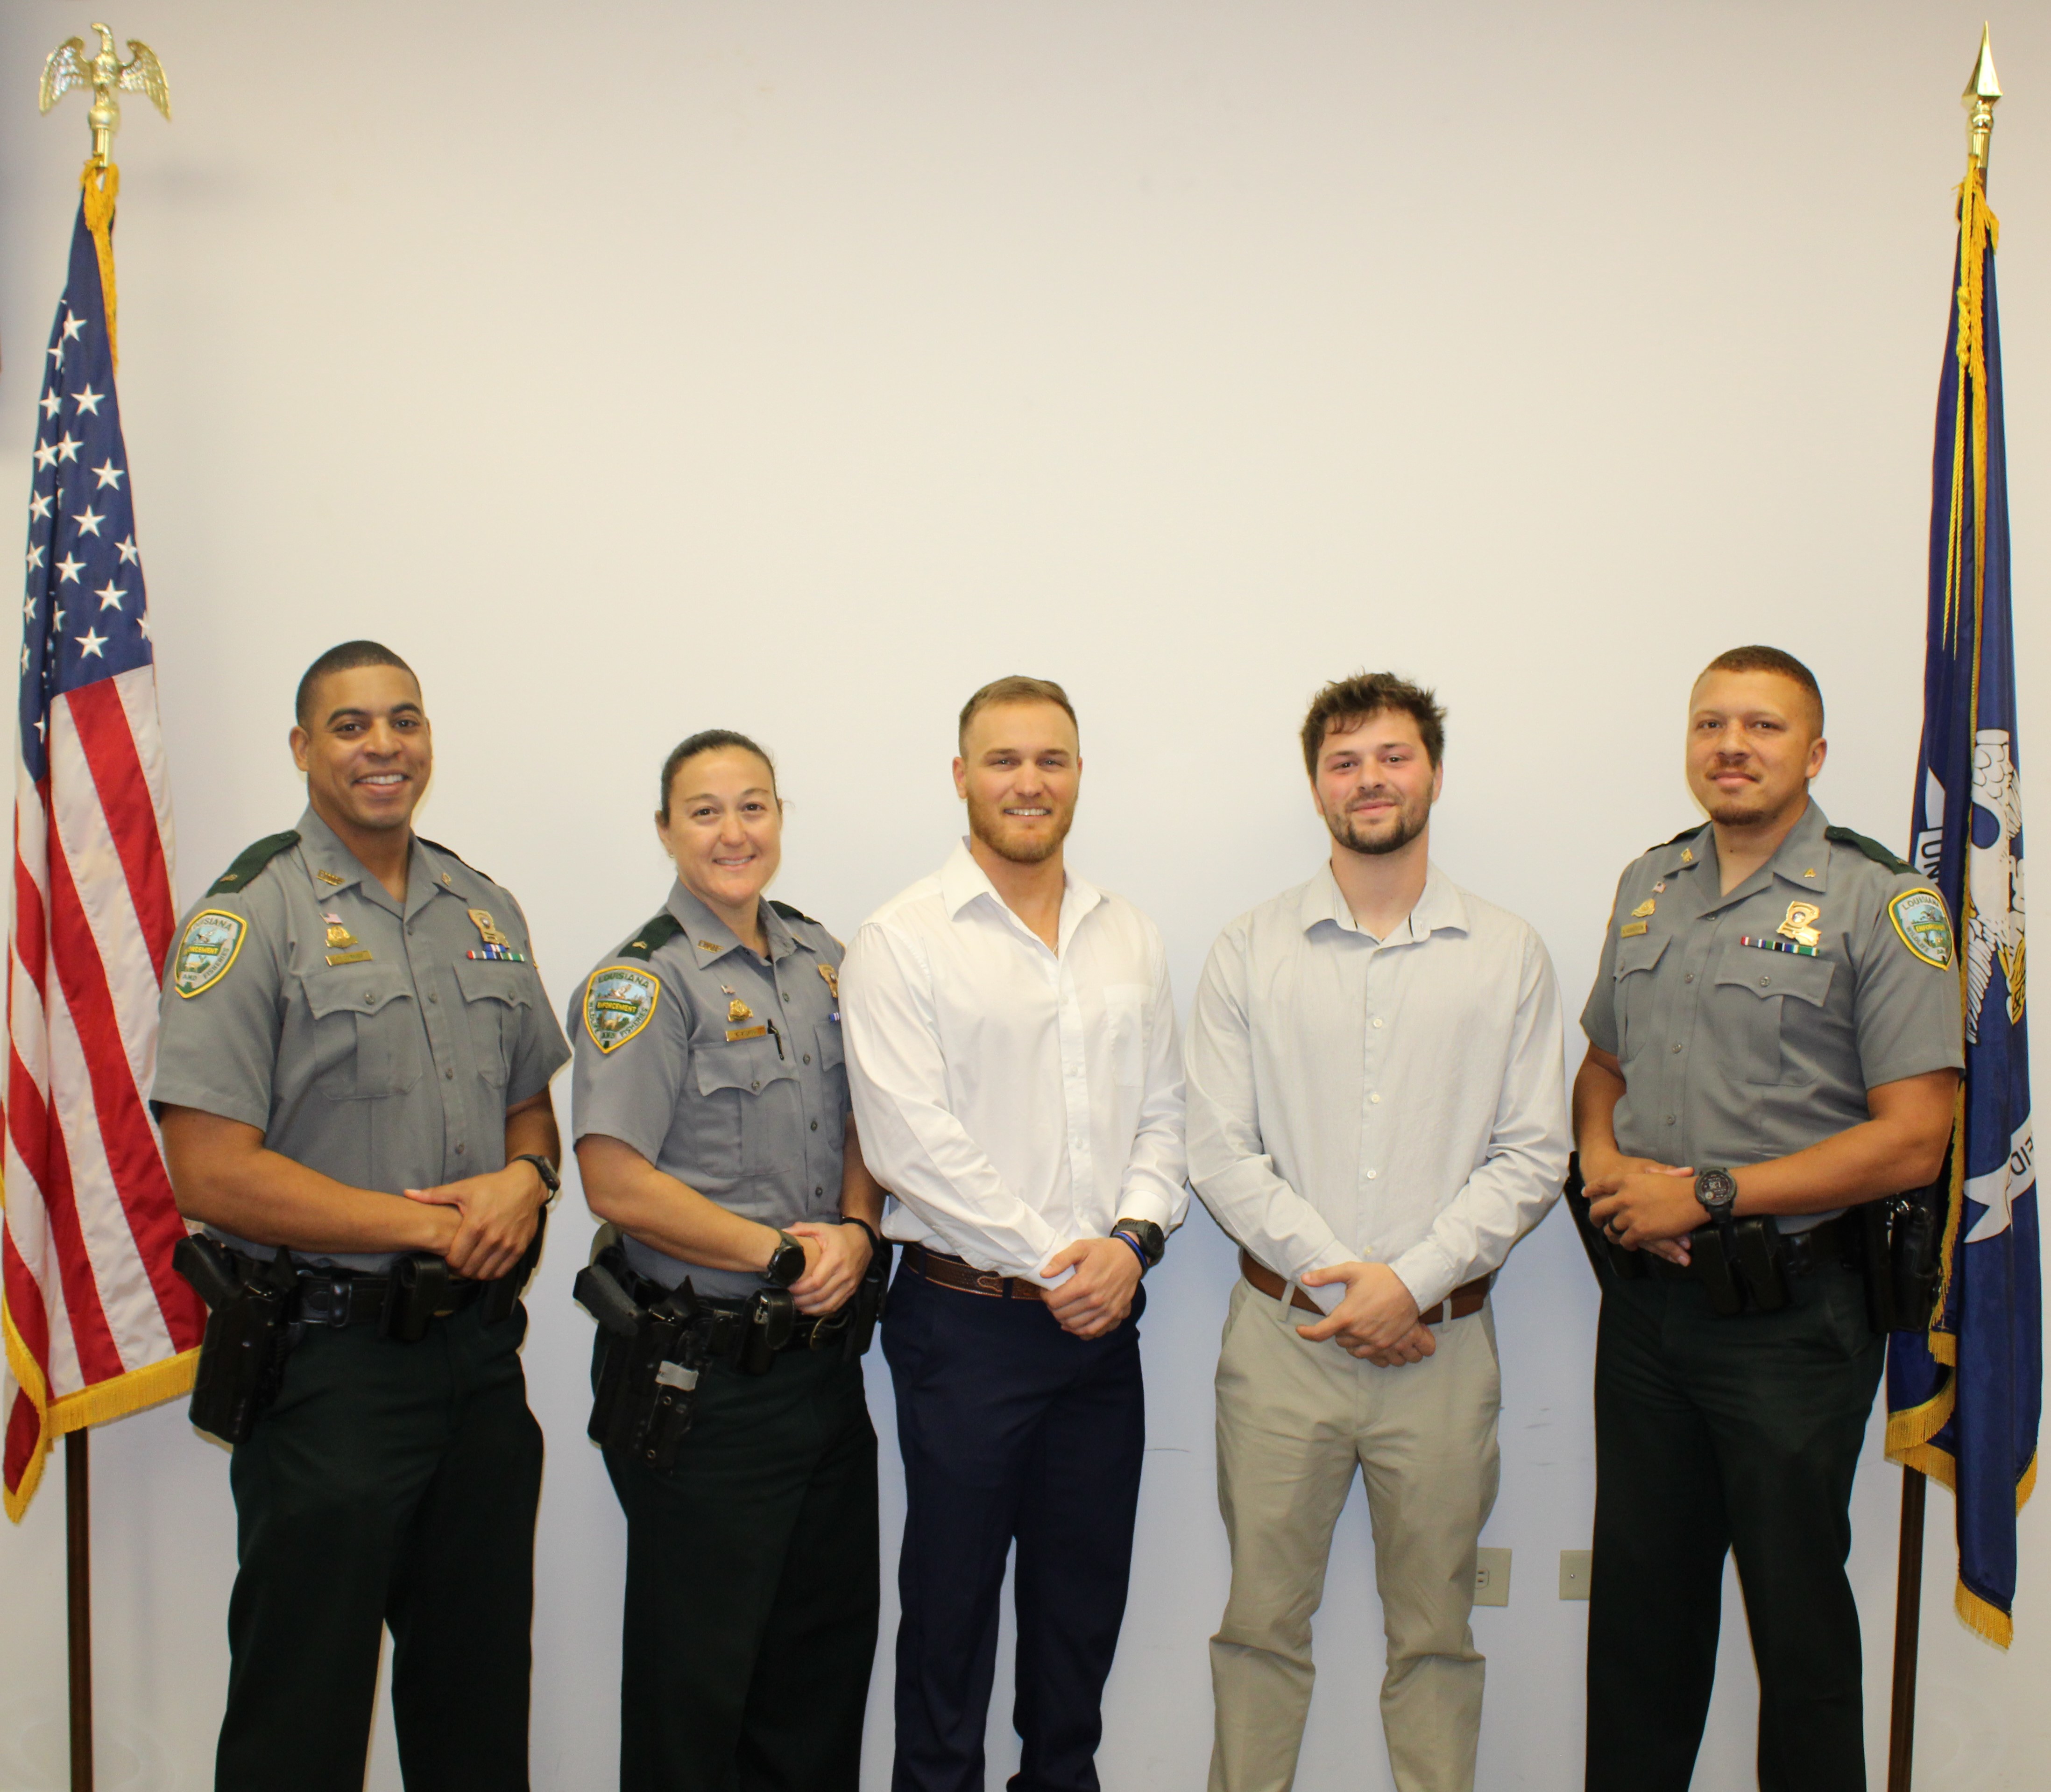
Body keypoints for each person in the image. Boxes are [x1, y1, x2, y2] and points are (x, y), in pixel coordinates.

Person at [153, 640, 570, 1792]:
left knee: (477, 1709)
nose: (383, 745)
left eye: (404, 719)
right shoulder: (252, 915)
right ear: (302, 747)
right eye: (350, 725)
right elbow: (208, 1172)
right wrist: (425, 1224)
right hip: (325, 1372)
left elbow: (529, 1105)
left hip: (476, 1365)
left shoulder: (482, 906)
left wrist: (528, 1178)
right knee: (302, 1717)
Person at [1576, 645, 1963, 1792]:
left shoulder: (1882, 901)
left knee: (1796, 1624)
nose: (1732, 747)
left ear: (1816, 752)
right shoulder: (1649, 883)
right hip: (1648, 1311)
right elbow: (1603, 1063)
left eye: (1763, 726)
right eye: (1711, 724)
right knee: (1640, 1616)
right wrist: (1604, 1167)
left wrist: (1708, 1192)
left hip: (1794, 1317)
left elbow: (1915, 1138)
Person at [1185, 672, 1569, 1792]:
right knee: (1259, 1626)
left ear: (1433, 773)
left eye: (1393, 756)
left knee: (1437, 1635)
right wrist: (1347, 1285)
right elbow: (1220, 1149)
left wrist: (1409, 1282)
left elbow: (1533, 1152)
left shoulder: (1508, 952)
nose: (1370, 779)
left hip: (1444, 1347)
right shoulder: (1248, 948)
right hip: (1282, 1345)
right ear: (1317, 786)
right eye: (1345, 761)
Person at [839, 675, 1188, 1792]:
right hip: (967, 1325)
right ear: (961, 776)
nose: (1029, 781)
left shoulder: (1128, 933)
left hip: (1103, 1326)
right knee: (950, 1619)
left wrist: (1130, 1243)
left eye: (1051, 759)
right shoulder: (901, 938)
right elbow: (910, 1142)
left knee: (1080, 1618)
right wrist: (1062, 1260)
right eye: (1004, 759)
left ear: (1079, 775)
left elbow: (1165, 1113)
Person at [569, 727, 886, 1792]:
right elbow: (614, 1179)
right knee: (695, 1694)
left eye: (753, 806)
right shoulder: (645, 981)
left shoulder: (823, 960)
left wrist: (855, 1229)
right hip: (703, 1388)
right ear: (666, 830)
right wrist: (780, 1255)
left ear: (781, 819)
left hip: (821, 1379)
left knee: (819, 1673)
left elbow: (865, 1122)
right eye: (705, 811)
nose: (733, 831)